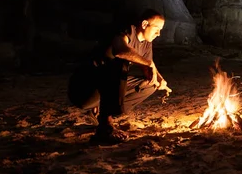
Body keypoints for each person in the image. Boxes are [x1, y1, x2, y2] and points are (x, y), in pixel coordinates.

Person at [68, 9, 172, 144]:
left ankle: (105, 110)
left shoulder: (146, 43)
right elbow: (121, 51)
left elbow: (149, 67)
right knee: (119, 64)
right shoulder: (127, 30)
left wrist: (160, 80)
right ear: (145, 24)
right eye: (157, 29)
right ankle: (105, 127)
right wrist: (149, 63)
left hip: (103, 89)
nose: (159, 34)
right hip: (84, 89)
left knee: (151, 83)